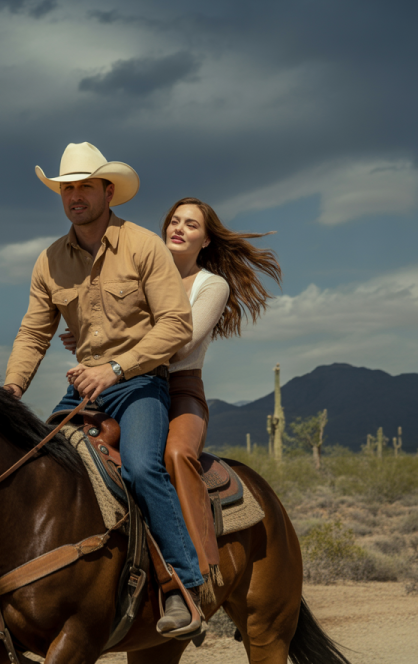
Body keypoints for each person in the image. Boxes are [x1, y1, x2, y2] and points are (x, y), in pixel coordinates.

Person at [4, 142, 206, 639]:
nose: (75, 196)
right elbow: (34, 333)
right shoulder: (50, 261)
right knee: (32, 468)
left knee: (140, 467)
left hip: (138, 383)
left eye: (84, 187)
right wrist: (10, 388)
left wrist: (115, 368)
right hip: (84, 389)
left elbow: (176, 325)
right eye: (67, 188)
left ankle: (184, 588)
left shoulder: (142, 245)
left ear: (107, 191)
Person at [62, 196, 281, 600]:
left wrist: (113, 349)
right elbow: (111, 326)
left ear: (207, 240)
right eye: (174, 221)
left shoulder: (211, 285)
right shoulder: (143, 273)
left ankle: (200, 569)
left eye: (191, 225)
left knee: (175, 456)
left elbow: (180, 344)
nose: (179, 228)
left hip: (179, 389)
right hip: (124, 383)